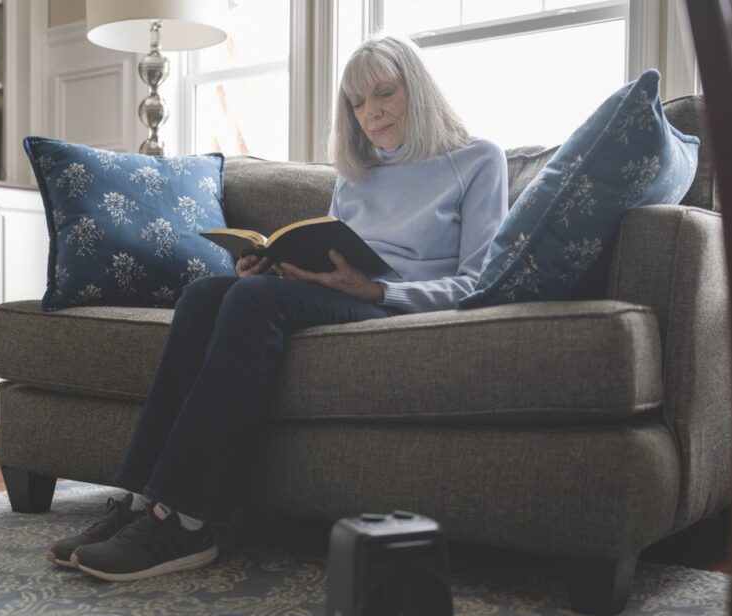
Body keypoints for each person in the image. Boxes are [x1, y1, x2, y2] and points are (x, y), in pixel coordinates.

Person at [47, 36, 509, 582]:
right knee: (205, 295)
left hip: (392, 307)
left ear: (419, 89)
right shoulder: (356, 173)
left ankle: (186, 522)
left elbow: (480, 282)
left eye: (384, 93)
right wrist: (275, 265)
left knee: (253, 302)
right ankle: (136, 500)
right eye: (357, 104)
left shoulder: (479, 160)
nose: (372, 113)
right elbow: (328, 249)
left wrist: (380, 292)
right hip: (336, 292)